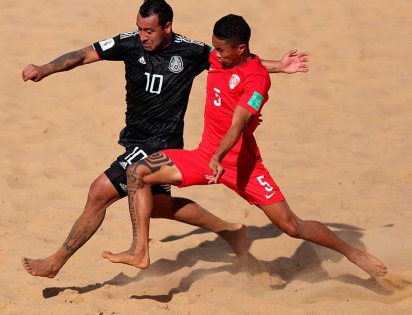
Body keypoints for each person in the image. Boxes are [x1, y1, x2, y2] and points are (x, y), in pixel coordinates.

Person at [21, 0, 309, 279]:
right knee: (158, 207)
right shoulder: (130, 43)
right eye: (139, 28)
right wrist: (44, 69)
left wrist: (280, 67)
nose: (142, 36)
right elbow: (84, 54)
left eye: (149, 30)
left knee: (99, 192)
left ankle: (55, 262)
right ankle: (229, 231)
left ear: (167, 27)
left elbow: (231, 59)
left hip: (160, 143)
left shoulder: (191, 51)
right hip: (134, 138)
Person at [102, 14, 388, 279]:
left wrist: (219, 156)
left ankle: (354, 253)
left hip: (242, 165)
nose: (215, 55)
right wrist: (282, 66)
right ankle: (140, 250)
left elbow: (237, 124)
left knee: (290, 226)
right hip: (205, 156)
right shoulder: (219, 59)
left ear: (240, 48)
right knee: (138, 172)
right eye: (214, 48)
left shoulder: (257, 81)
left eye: (222, 50)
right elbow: (246, 62)